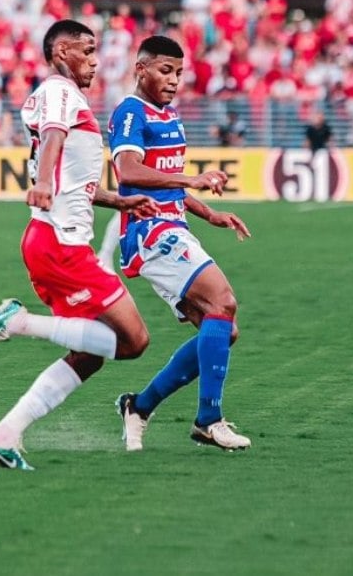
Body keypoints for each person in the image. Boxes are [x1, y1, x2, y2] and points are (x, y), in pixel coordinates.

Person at [0, 20, 161, 471]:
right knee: (133, 341)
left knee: (91, 355)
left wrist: (118, 200)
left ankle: (3, 435)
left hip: (55, 241)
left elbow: (77, 180)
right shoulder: (60, 92)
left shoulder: (67, 97)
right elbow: (52, 141)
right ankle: (18, 322)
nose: (94, 60)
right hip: (60, 245)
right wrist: (45, 185)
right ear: (60, 53)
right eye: (86, 51)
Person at [110, 35, 253, 453]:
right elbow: (130, 170)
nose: (173, 80)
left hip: (173, 226)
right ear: (141, 69)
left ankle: (139, 406)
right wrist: (191, 178)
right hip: (149, 230)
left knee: (223, 330)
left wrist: (209, 214)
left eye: (179, 73)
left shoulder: (169, 116)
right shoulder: (131, 112)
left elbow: (168, 183)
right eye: (165, 70)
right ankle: (208, 420)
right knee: (223, 302)